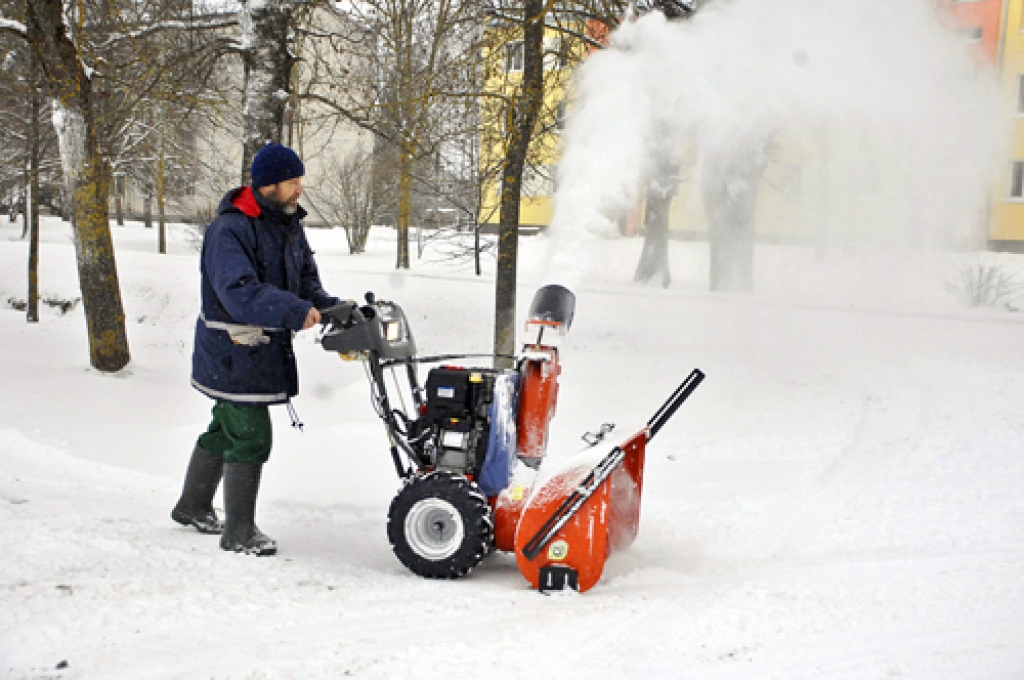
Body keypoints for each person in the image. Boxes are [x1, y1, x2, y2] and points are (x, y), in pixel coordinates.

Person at [171, 142, 342, 556]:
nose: (299, 189)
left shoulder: (287, 224)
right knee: (249, 435)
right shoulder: (231, 229)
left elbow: (304, 282)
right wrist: (295, 310)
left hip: (259, 348)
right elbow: (238, 293)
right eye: (291, 181)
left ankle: (192, 506)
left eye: (300, 180)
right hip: (231, 350)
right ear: (267, 185)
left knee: (224, 428)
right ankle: (239, 533)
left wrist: (331, 307)